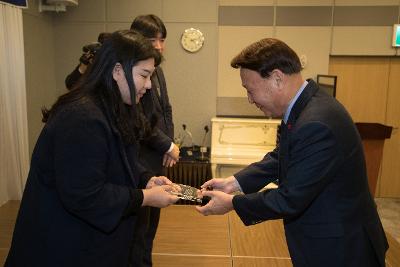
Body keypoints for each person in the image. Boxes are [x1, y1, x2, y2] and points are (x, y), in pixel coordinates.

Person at [196, 38, 389, 267]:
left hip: (342, 251)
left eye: (250, 90)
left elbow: (290, 198)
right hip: (330, 242)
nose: (249, 99)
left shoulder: (316, 122)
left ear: (277, 78)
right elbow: (282, 155)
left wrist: (233, 203)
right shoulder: (307, 107)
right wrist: (234, 183)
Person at [4, 30, 179, 267]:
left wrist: (146, 179)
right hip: (63, 245)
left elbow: (118, 158)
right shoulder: (81, 116)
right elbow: (84, 193)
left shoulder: (114, 106)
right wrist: (146, 197)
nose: (148, 86)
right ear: (117, 71)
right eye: (144, 76)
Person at [129, 14, 178, 267]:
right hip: (139, 159)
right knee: (138, 227)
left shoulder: (157, 71)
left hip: (157, 159)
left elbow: (165, 110)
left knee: (151, 227)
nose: (158, 45)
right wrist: (168, 145)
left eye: (162, 40)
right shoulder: (132, 75)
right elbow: (140, 119)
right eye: (151, 39)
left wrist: (169, 144)